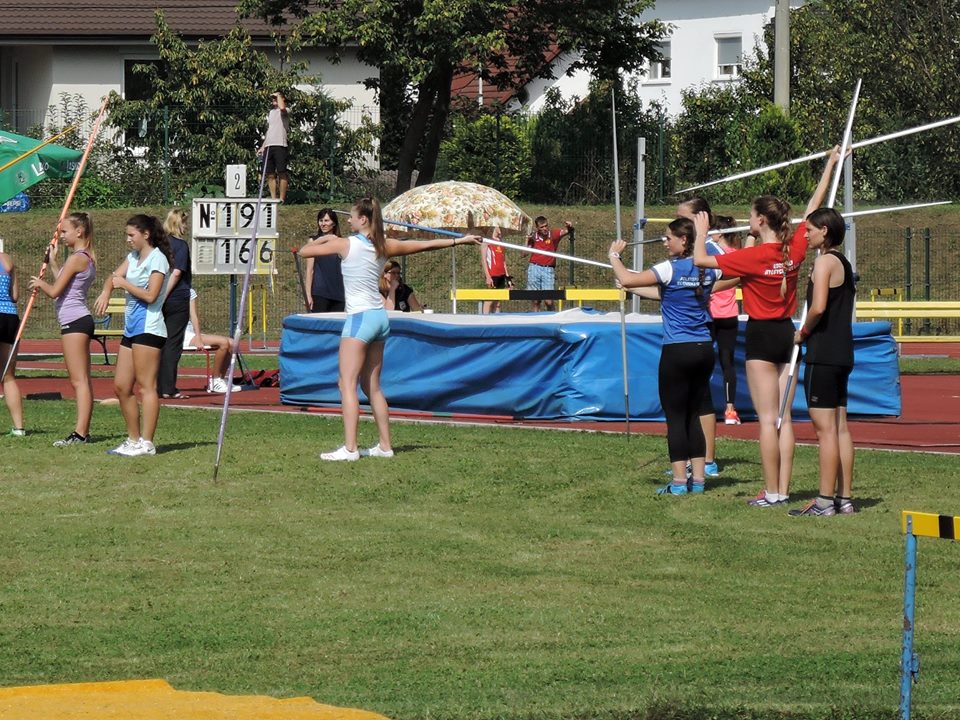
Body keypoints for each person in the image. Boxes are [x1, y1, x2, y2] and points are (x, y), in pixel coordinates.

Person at [693, 147, 842, 507]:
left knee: (766, 420)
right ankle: (782, 490)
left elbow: (700, 260)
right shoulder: (794, 249)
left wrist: (701, 232)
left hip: (761, 335)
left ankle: (773, 492)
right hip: (787, 334)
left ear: (760, 220)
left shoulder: (752, 256)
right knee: (784, 419)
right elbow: (813, 207)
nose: (748, 219)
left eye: (751, 215)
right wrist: (830, 165)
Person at [298, 197, 480, 461]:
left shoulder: (344, 243)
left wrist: (325, 238)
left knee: (346, 383)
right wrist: (459, 241)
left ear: (363, 219)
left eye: (351, 216)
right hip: (379, 319)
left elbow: (305, 251)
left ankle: (350, 449)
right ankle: (385, 446)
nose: (347, 220)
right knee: (372, 386)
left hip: (360, 319)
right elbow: (423, 245)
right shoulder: (384, 245)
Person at [609, 217, 721, 494]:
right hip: (704, 348)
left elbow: (627, 277)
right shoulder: (709, 269)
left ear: (683, 240)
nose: (664, 242)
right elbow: (663, 293)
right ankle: (699, 481)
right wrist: (632, 287)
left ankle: (679, 482)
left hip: (678, 350)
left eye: (668, 237)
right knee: (693, 414)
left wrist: (614, 256)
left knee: (676, 417)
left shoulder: (668, 268)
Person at [789, 206, 857, 516]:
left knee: (825, 430)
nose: (805, 235)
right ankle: (844, 498)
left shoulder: (824, 263)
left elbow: (817, 308)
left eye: (810, 230)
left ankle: (825, 501)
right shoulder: (843, 262)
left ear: (824, 231)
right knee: (840, 428)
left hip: (823, 353)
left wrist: (802, 333)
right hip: (842, 353)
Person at [94, 214, 171, 457]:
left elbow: (151, 295)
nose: (128, 239)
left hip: (149, 328)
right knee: (121, 386)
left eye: (131, 235)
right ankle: (133, 439)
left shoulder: (158, 259)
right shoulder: (132, 258)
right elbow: (113, 277)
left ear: (145, 235)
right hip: (132, 329)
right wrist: (106, 291)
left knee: (147, 387)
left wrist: (123, 284)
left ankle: (147, 443)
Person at [28, 212, 97, 446]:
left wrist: (40, 283)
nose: (62, 236)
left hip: (75, 321)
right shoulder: (83, 257)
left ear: (79, 231)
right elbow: (64, 284)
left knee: (79, 381)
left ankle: (80, 433)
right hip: (78, 320)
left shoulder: (78, 258)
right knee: (82, 380)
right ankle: (82, 432)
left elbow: (56, 291)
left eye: (65, 231)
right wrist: (55, 262)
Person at [158, 208, 192, 400]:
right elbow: (177, 272)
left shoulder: (159, 245)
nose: (186, 227)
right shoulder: (180, 245)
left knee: (158, 342)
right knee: (172, 344)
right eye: (185, 223)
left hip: (156, 297)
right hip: (176, 299)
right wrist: (164, 295)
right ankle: (168, 387)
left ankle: (156, 385)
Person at [183, 289, 240, 394]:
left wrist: (198, 336)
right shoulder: (166, 290)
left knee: (232, 343)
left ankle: (220, 379)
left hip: (191, 332)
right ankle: (214, 380)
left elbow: (194, 316)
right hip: (181, 334)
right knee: (223, 343)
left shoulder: (190, 291)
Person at [526, 215, 574, 311]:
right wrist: (527, 239)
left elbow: (568, 231)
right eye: (542, 227)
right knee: (535, 300)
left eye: (546, 226)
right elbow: (523, 254)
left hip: (548, 269)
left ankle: (552, 317)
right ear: (537, 228)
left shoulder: (553, 234)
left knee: (548, 301)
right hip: (534, 268)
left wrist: (569, 227)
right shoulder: (534, 237)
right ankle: (535, 318)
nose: (545, 228)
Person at [0, 248, 24, 437]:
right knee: (8, 376)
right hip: (10, 317)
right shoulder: (7, 260)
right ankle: (18, 427)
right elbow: (15, 296)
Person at [304, 208, 345, 312]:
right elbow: (309, 270)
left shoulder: (341, 242)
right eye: (321, 220)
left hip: (339, 294)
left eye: (326, 220)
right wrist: (308, 294)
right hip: (320, 293)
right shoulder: (314, 241)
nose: (323, 224)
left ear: (334, 223)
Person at [259, 91, 289, 203]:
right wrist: (263, 146)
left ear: (282, 99)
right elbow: (270, 130)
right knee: (270, 173)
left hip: (280, 144)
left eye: (276, 98)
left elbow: (282, 108)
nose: (274, 100)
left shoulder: (286, 110)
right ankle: (273, 199)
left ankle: (282, 199)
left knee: (282, 172)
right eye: (273, 98)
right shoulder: (271, 112)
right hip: (269, 145)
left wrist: (279, 95)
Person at [481, 226, 513, 313]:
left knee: (498, 301)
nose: (503, 230)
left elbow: (503, 261)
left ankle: (497, 319)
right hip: (492, 274)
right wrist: (488, 276)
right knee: (489, 299)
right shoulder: (487, 241)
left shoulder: (501, 242)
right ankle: (485, 318)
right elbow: (483, 260)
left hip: (501, 274)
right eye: (501, 227)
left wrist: (508, 277)